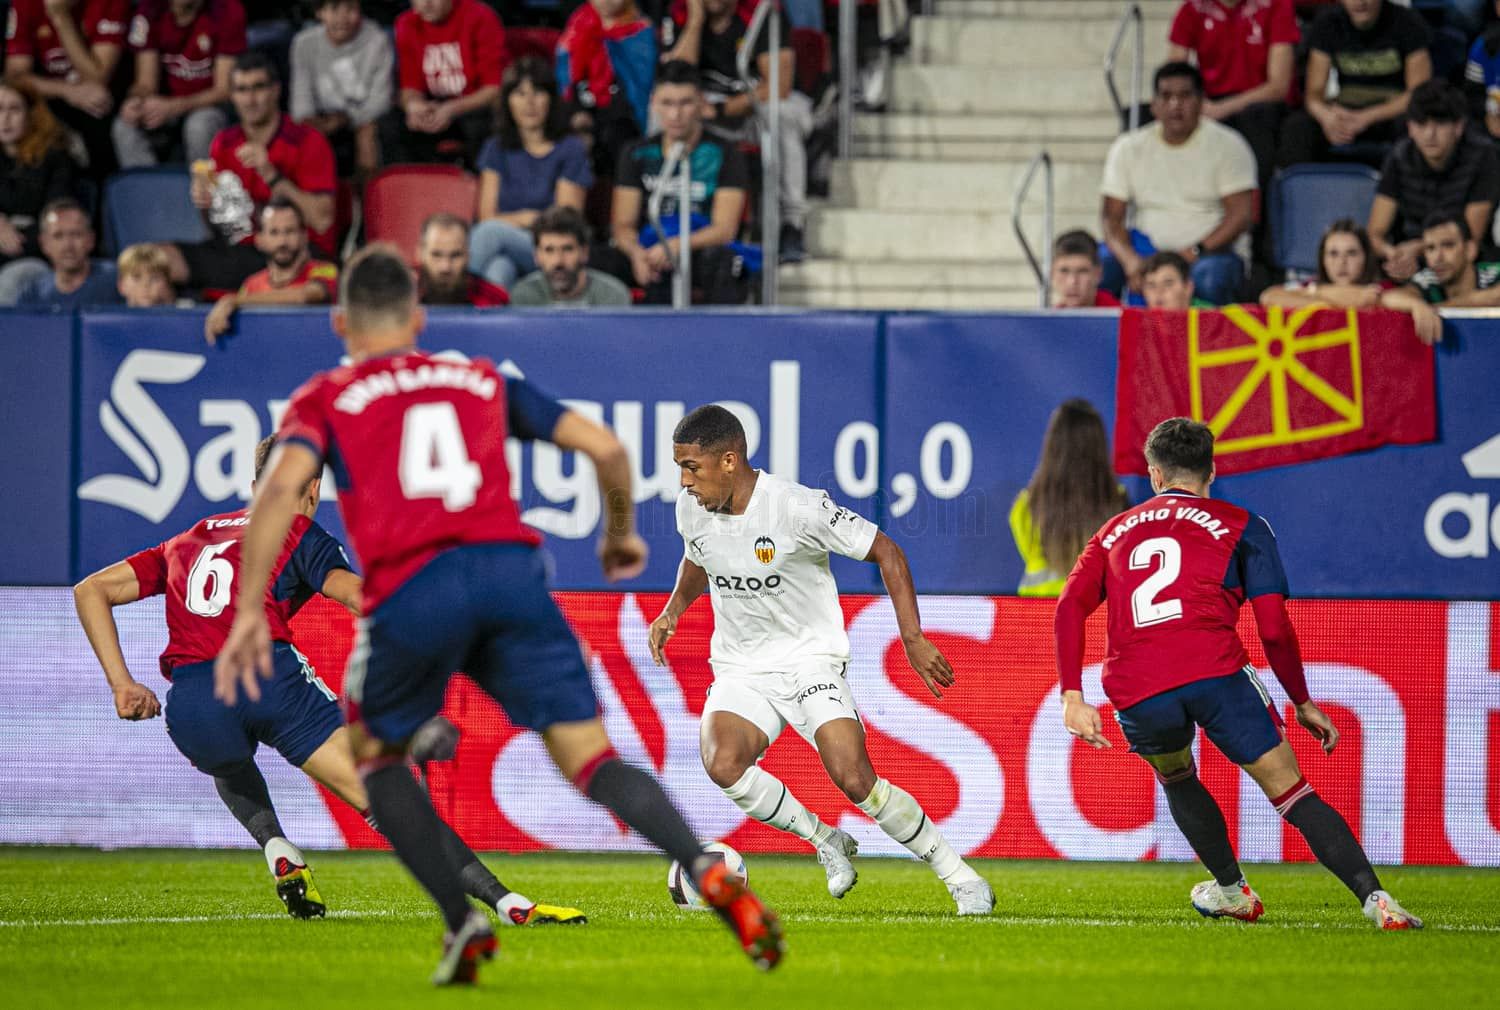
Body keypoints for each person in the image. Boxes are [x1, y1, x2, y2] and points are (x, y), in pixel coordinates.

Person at [213, 246, 784, 983]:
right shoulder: (479, 380)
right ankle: (702, 865)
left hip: (413, 591)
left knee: (376, 761)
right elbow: (606, 448)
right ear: (418, 319)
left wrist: (254, 609)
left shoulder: (328, 397)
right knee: (592, 758)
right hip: (512, 582)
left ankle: (462, 926)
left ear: (339, 322)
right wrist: (619, 535)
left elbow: (276, 496)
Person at [74, 435, 585, 927]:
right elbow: (357, 598)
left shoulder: (192, 536)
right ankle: (506, 901)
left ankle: (276, 846)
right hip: (269, 681)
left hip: (191, 701)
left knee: (226, 757)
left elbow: (91, 589)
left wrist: (122, 683)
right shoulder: (298, 532)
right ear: (314, 488)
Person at [1055, 416, 1422, 930]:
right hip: (1217, 674)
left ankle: (1231, 891)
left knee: (1177, 776)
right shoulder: (1244, 524)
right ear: (1212, 470)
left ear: (1155, 476)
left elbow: (1069, 607)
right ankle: (1376, 900)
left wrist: (1072, 695)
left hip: (1140, 686)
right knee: (1292, 793)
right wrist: (1303, 700)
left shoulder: (1113, 530)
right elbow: (1272, 629)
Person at [648, 405, 995, 916]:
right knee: (723, 762)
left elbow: (888, 553)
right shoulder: (692, 509)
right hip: (742, 666)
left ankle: (960, 876)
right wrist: (673, 609)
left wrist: (913, 638)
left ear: (728, 460)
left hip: (810, 660)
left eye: (691, 467)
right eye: (679, 467)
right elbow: (699, 555)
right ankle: (824, 840)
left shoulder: (797, 507)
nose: (683, 482)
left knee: (854, 778)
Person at [163, 51, 338, 297]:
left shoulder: (308, 141)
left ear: (276, 90)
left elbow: (322, 220)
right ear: (232, 95)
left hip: (295, 254)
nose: (250, 99)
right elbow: (224, 228)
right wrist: (206, 204)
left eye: (258, 88)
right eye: (241, 90)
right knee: (157, 260)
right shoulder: (224, 143)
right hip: (242, 253)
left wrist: (271, 175)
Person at [664, 0, 814, 262]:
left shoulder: (761, 15)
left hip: (752, 113)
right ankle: (669, 213)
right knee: (669, 110)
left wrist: (724, 109)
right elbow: (675, 78)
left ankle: (792, 224)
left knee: (781, 115)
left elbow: (779, 85)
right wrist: (695, 22)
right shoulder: (681, 15)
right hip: (706, 113)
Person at [1100, 63, 1257, 307]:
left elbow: (1240, 216)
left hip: (1208, 254)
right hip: (1145, 252)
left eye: (1184, 96)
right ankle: (1099, 343)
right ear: (1153, 105)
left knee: (1211, 276)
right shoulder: (1128, 148)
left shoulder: (1229, 145)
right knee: (1101, 265)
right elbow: (1111, 218)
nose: (1175, 104)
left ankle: (1211, 344)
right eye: (1166, 96)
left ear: (1201, 102)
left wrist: (1193, 252)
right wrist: (1130, 260)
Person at [611, 60, 749, 305]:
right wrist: (637, 255)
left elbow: (725, 229)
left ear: (701, 103)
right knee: (597, 262)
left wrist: (676, 245)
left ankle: (723, 339)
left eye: (685, 103)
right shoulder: (636, 153)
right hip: (650, 247)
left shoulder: (725, 153)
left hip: (700, 247)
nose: (676, 114)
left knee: (723, 260)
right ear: (653, 102)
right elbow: (623, 225)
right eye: (667, 103)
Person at [468, 57, 591, 290]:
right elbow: (486, 214)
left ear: (551, 99)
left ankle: (452, 297)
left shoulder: (570, 148)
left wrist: (511, 221)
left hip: (554, 250)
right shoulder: (496, 147)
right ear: (508, 101)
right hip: (509, 247)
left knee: (491, 233)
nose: (529, 103)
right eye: (520, 94)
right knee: (499, 270)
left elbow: (564, 224)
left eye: (537, 93)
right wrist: (527, 217)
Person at [1367, 80, 1498, 283]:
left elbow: (1471, 236)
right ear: (1410, 127)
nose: (1430, 134)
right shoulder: (1399, 156)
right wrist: (1393, 254)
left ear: (1459, 126)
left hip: (1464, 262)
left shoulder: (1483, 155)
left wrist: (1419, 250)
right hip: (1409, 261)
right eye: (1421, 124)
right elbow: (1375, 232)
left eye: (1440, 124)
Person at [1278, 0, 1432, 168]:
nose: (1360, 3)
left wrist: (1366, 117)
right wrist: (1327, 117)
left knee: (1414, 124)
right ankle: (1299, 190)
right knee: (1297, 127)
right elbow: (1313, 94)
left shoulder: (1407, 22)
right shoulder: (1327, 23)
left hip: (1391, 112)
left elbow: (1418, 93)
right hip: (1345, 111)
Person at [1165, 0, 1298, 189]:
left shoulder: (1277, 5)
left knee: (1256, 119)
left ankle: (1256, 210)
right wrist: (1196, 105)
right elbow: (1174, 77)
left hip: (1261, 103)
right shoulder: (1193, 8)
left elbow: (1278, 87)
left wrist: (1222, 109)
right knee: (1160, 116)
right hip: (1212, 102)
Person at [1010, 400, 1127, 598]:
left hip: (1037, 616)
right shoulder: (1119, 502)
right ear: (1098, 446)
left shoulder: (1026, 506)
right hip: (1096, 614)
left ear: (1053, 445)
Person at [1259, 218, 1443, 344]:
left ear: (1366, 257)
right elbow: (1269, 296)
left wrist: (1417, 305)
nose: (1342, 262)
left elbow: (1386, 298)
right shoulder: (1311, 286)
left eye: (1352, 253)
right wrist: (1326, 296)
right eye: (1333, 253)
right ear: (1322, 259)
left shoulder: (1380, 287)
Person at [112, 0, 246, 169]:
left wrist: (174, 106)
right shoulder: (149, 8)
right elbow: (146, 83)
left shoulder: (227, 9)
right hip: (165, 105)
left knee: (199, 125)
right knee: (124, 124)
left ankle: (202, 191)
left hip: (209, 105)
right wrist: (136, 100)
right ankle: (148, 192)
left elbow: (223, 90)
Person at [3, 0, 128, 177]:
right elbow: (15, 76)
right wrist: (68, 91)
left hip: (101, 101)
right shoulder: (26, 3)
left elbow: (97, 78)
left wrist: (62, 18)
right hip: (51, 95)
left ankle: (102, 192)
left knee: (99, 106)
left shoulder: (110, 3)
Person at [382, 0, 504, 168]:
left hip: (473, 105)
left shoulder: (480, 16)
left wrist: (452, 109)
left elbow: (494, 89)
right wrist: (414, 105)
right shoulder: (406, 23)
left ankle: (482, 186)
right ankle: (409, 188)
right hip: (433, 105)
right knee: (390, 125)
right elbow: (409, 86)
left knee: (481, 125)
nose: (426, 4)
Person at [204, 199, 339, 343]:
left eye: (290, 231)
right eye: (274, 232)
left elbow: (306, 296)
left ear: (304, 236)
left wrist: (233, 301)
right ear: (259, 240)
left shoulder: (325, 269)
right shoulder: (251, 285)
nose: (282, 241)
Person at [289, 0, 393, 180]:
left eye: (351, 9)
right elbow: (301, 102)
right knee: (302, 135)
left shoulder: (377, 40)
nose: (343, 18)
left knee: (368, 133)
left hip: (364, 117)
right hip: (322, 118)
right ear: (319, 12)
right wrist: (315, 123)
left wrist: (347, 119)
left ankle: (370, 199)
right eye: (334, 9)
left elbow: (381, 101)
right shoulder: (303, 43)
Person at [555, 0, 656, 178]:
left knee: (615, 136)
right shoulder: (577, 25)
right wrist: (576, 112)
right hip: (583, 108)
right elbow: (565, 81)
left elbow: (641, 87)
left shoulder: (641, 31)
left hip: (624, 116)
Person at [0, 79, 78, 305]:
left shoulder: (54, 159)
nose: (5, 119)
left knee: (10, 283)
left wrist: (15, 238)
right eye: (0, 109)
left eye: (14, 109)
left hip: (31, 255)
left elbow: (57, 219)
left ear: (31, 114)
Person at [510, 205, 631, 307]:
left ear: (584, 253)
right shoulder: (524, 297)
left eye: (567, 249)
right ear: (536, 256)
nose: (558, 261)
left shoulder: (613, 297)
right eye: (549, 250)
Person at [13, 196, 119, 306]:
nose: (68, 245)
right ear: (44, 243)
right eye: (58, 236)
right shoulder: (32, 296)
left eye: (76, 234)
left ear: (91, 240)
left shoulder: (118, 281)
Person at [1406, 210, 1500, 308]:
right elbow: (1392, 298)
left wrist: (1439, 308)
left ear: (1470, 250)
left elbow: (1496, 296)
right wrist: (1415, 305)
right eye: (1430, 248)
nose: (1438, 257)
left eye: (1448, 245)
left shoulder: (1493, 272)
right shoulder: (1428, 279)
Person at [417, 211, 510, 306]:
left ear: (468, 256)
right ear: (420, 253)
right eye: (436, 255)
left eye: (455, 255)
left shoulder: (493, 300)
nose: (445, 267)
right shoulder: (402, 296)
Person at [1049, 229, 1120, 308]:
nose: (1072, 281)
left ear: (1098, 274)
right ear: (1052, 274)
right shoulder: (1048, 318)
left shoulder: (1123, 318)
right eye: (1064, 271)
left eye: (1082, 271)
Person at [1140, 251, 1212, 309]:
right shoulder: (1138, 321)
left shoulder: (1214, 320)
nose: (1158, 291)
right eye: (1151, 285)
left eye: (1168, 283)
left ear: (1188, 288)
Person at [116, 242, 176, 306]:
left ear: (166, 284)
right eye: (137, 277)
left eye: (154, 278)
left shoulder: (177, 314)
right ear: (121, 285)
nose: (145, 285)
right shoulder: (112, 315)